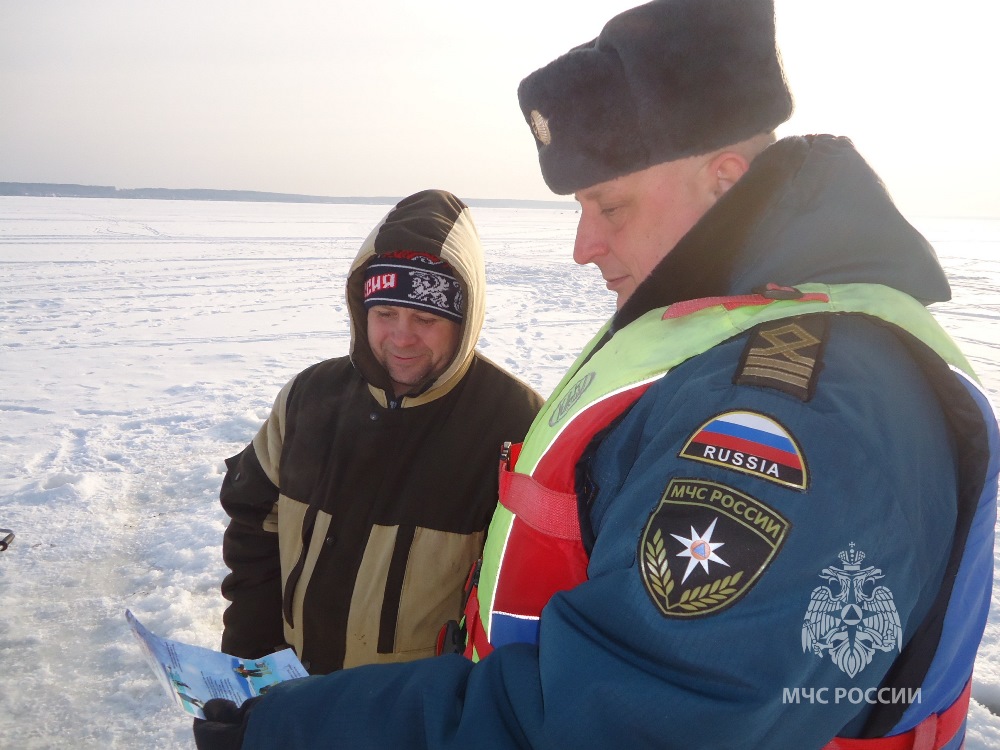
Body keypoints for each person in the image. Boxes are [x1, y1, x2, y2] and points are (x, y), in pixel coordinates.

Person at [195, 2, 999, 748]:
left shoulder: (792, 403)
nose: (584, 245)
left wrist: (300, 730)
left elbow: (622, 714)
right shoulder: (726, 343)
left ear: (723, 178)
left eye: (610, 208)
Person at [216, 188, 542, 676]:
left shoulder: (512, 423)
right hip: (295, 679)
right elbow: (253, 528)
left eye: (426, 318)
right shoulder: (310, 398)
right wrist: (250, 663)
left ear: (464, 321)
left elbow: (527, 595)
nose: (402, 337)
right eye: (385, 314)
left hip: (418, 707)